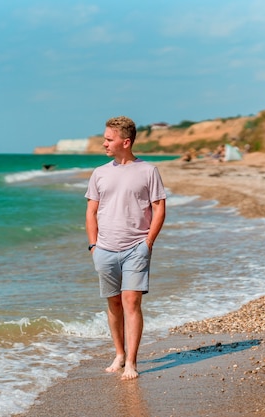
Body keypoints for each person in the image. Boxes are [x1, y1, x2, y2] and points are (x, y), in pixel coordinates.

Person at [85, 116, 167, 380]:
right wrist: (93, 246)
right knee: (114, 303)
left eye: (109, 139)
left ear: (125, 141)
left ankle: (131, 362)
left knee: (131, 301)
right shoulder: (99, 173)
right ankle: (119, 354)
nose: (104, 143)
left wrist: (148, 242)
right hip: (105, 249)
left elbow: (159, 207)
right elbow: (91, 211)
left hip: (136, 247)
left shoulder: (148, 171)